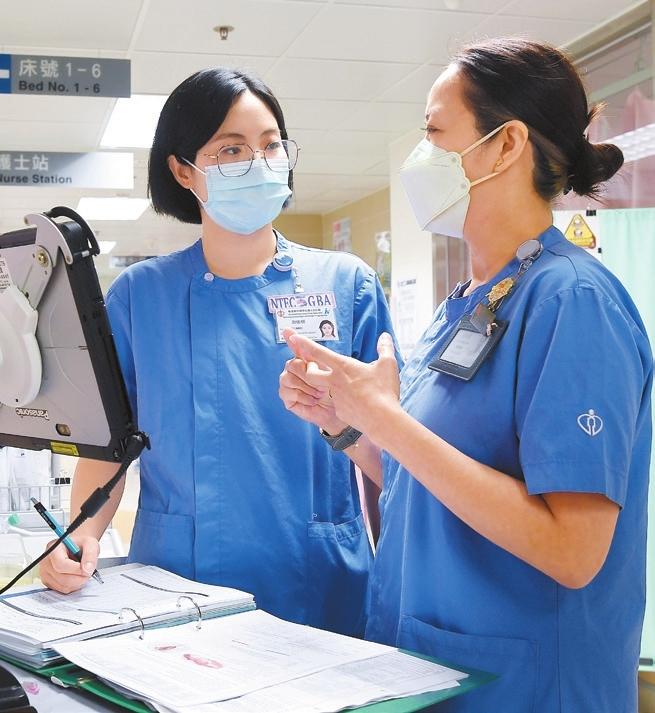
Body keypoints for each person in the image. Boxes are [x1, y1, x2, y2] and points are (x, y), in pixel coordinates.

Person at [279, 38, 653, 711]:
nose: (420, 156)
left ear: (505, 145)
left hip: (527, 685)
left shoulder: (571, 301)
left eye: (434, 133)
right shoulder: (471, 302)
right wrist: (348, 425)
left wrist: (386, 417)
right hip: (434, 665)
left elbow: (574, 550)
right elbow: (431, 482)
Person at [39, 68, 396, 637]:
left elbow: (394, 456)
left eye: (271, 145)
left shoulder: (346, 286)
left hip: (317, 577)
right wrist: (81, 533)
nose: (258, 163)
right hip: (176, 581)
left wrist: (400, 573)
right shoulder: (139, 297)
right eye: (231, 149)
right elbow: (111, 448)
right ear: (183, 170)